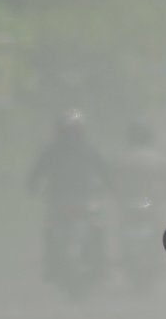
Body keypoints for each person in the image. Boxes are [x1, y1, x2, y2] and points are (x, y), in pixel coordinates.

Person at [27, 109, 112, 283]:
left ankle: (51, 267)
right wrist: (110, 189)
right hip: (84, 200)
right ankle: (100, 266)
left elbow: (36, 175)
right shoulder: (88, 149)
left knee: (51, 230)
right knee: (97, 227)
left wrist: (33, 188)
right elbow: (105, 173)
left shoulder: (51, 150)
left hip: (60, 201)